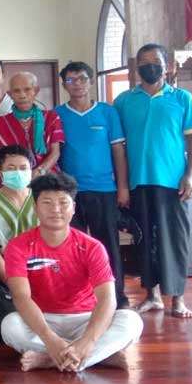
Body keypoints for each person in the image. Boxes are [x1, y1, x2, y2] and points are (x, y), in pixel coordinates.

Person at [1, 173, 143, 372]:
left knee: (131, 321)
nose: (55, 209)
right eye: (47, 203)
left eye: (63, 203)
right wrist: (50, 339)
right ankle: (97, 357)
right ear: (35, 207)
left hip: (85, 318)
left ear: (74, 208)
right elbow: (21, 297)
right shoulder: (18, 246)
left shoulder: (92, 247)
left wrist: (88, 341)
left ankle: (51, 360)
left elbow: (107, 299)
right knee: (10, 326)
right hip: (43, 319)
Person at [114, 43, 192, 318]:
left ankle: (178, 299)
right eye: (144, 62)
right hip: (137, 182)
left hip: (172, 183)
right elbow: (118, 146)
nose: (149, 66)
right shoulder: (124, 101)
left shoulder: (182, 98)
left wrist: (189, 176)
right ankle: (152, 296)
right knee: (145, 240)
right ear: (136, 67)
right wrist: (122, 185)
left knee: (174, 239)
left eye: (155, 61)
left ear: (168, 66)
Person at [54, 61, 131, 308]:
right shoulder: (57, 114)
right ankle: (78, 299)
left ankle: (116, 297)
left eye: (82, 79)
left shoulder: (108, 113)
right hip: (69, 193)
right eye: (70, 80)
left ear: (90, 82)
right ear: (64, 85)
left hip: (104, 190)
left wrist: (122, 187)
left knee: (108, 245)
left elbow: (118, 151)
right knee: (71, 247)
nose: (77, 84)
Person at [0, 145, 40, 332]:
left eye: (23, 168)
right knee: (8, 322)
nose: (18, 173)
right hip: (8, 279)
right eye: (11, 168)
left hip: (44, 273)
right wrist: (17, 284)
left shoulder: (43, 200)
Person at [0, 72, 64, 176]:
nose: (22, 95)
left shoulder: (51, 118)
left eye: (27, 89)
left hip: (47, 177)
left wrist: (39, 171)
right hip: (16, 179)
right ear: (10, 94)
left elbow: (55, 152)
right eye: (16, 91)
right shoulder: (0, 123)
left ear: (36, 90)